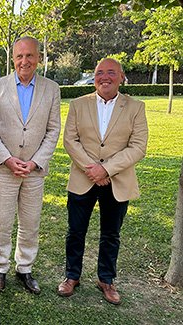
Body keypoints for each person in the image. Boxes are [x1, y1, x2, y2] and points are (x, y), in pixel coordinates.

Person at [58, 58, 148, 305]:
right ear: (94, 76)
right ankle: (71, 276)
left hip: (117, 182)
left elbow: (138, 147)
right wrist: (92, 169)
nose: (104, 77)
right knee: (75, 231)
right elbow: (70, 140)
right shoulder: (78, 104)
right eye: (99, 73)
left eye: (111, 73)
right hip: (82, 179)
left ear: (122, 77)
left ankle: (106, 279)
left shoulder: (136, 107)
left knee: (111, 234)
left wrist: (106, 170)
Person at [0, 36, 61, 294]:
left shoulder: (52, 89)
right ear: (13, 58)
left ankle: (24, 268)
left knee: (30, 222)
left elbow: (53, 130)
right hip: (4, 169)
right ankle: (0, 268)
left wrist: (36, 162)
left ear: (38, 57)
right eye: (19, 56)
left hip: (34, 171)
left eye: (29, 56)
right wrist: (7, 158)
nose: (24, 61)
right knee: (2, 222)